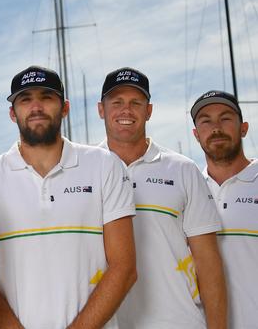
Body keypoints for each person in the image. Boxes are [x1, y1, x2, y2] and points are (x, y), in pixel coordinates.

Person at [0, 65, 136, 328]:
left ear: (65, 108)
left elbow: (125, 267)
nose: (36, 107)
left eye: (47, 97)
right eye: (26, 100)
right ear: (12, 113)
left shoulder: (104, 164)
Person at [97, 68, 227, 328]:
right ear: (101, 109)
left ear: (149, 111)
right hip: (107, 323)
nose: (126, 110)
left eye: (136, 103)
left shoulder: (182, 169)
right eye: (117, 103)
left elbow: (209, 263)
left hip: (177, 321)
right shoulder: (84, 170)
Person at [192, 90, 256, 329]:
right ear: (196, 135)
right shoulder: (191, 189)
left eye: (226, 118)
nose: (216, 127)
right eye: (206, 121)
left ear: (244, 128)